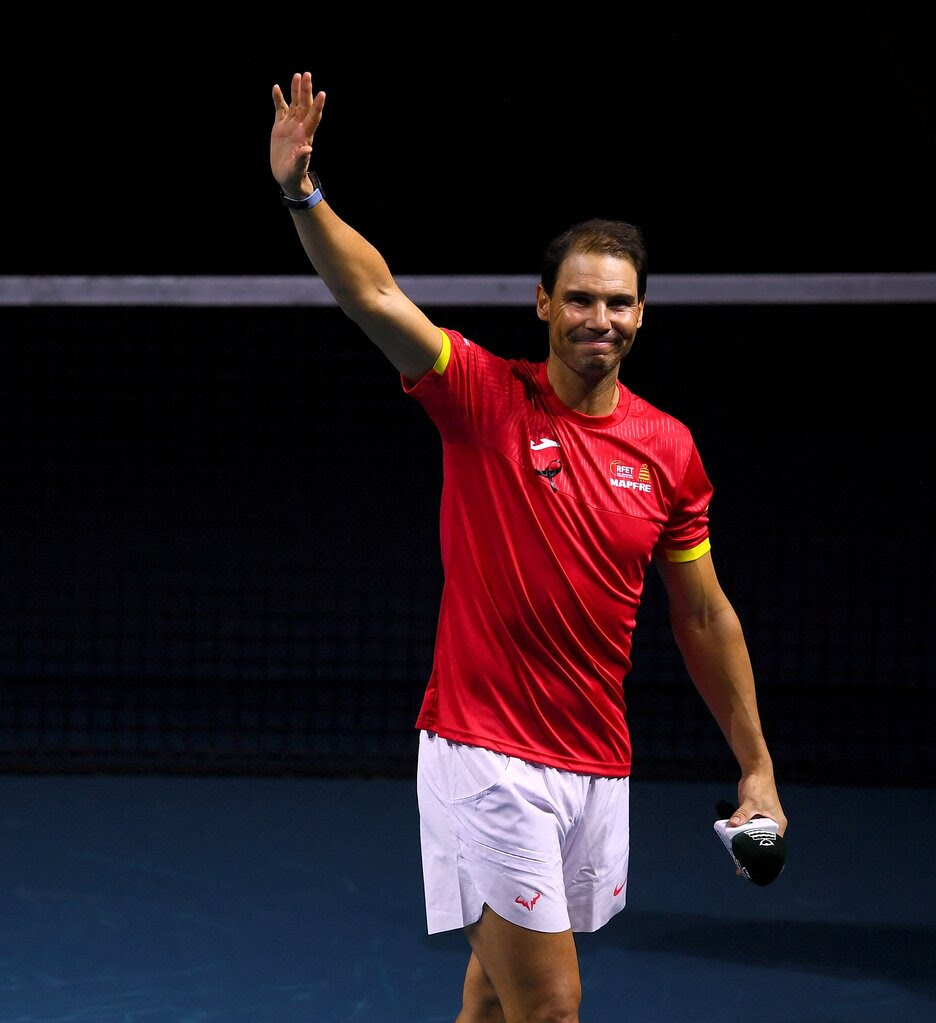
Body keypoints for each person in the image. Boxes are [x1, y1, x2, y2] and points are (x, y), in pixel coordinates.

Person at [270, 70, 787, 1023]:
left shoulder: (669, 449)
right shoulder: (482, 397)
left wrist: (754, 766)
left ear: (642, 316)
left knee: (495, 1005)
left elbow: (704, 613)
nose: (601, 319)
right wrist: (304, 194)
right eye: (582, 300)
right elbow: (374, 293)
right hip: (484, 752)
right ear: (543, 304)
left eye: (620, 303)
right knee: (551, 1008)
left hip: (594, 759)